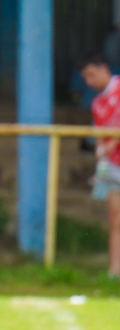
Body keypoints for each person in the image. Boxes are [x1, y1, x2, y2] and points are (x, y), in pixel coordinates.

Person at [80, 52, 120, 279]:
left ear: (103, 68)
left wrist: (114, 142)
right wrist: (101, 152)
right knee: (115, 217)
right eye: (85, 77)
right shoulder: (97, 103)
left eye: (91, 75)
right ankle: (115, 270)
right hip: (114, 167)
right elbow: (99, 135)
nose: (89, 82)